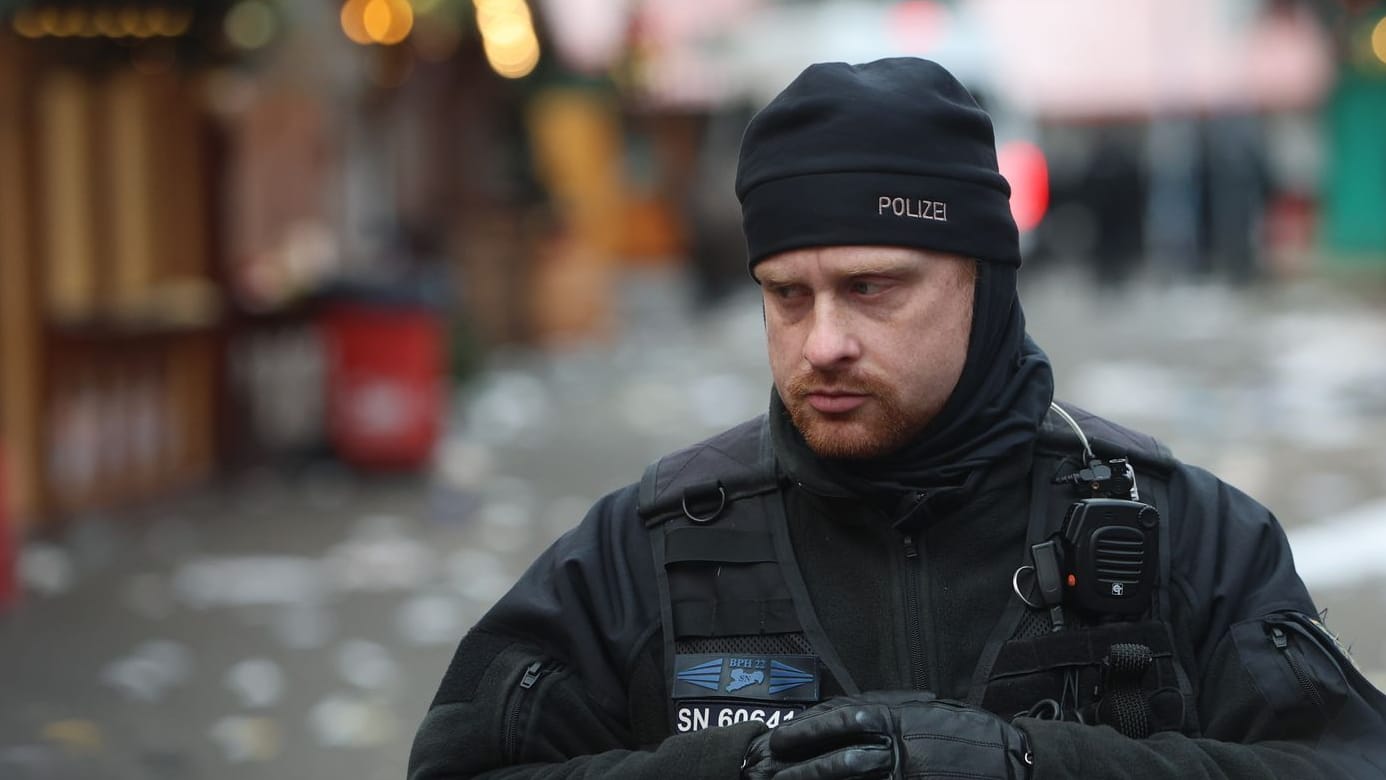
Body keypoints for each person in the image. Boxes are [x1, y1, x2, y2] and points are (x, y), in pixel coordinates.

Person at [408, 58, 1386, 779]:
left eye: (872, 288)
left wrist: (1028, 765)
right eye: (788, 296)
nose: (822, 340)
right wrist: (739, 768)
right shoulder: (647, 550)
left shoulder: (1184, 535)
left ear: (982, 283)